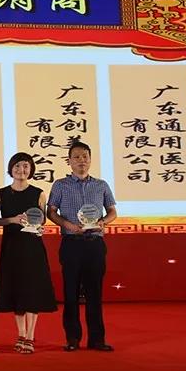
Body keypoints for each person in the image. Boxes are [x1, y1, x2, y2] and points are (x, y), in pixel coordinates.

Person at [47, 141, 117, 352]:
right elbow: (51, 212)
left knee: (95, 293)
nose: (81, 161)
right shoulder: (60, 185)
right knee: (71, 292)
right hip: (71, 244)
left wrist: (103, 222)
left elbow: (113, 212)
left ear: (90, 159)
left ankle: (97, 339)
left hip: (95, 243)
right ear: (69, 161)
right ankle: (72, 339)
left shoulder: (101, 185)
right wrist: (68, 225)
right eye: (76, 157)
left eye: (85, 156)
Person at [0, 153, 57, 354]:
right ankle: (20, 334)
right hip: (11, 246)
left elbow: (42, 220)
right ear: (11, 169)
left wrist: (39, 226)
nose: (22, 170)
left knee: (32, 289)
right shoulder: (1, 193)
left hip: (33, 247)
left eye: (26, 166)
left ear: (31, 169)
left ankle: (30, 336)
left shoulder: (39, 193)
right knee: (16, 288)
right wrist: (12, 220)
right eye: (17, 166)